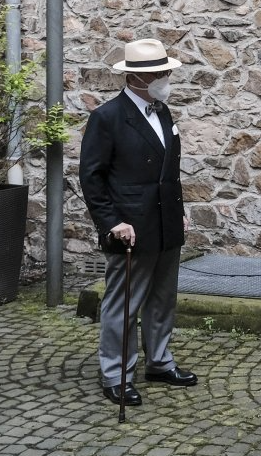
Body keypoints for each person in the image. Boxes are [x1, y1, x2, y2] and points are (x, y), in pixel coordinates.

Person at [79, 38, 194, 405]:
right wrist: (112, 222)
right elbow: (91, 176)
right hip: (130, 227)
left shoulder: (162, 111)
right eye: (160, 73)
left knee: (163, 299)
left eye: (165, 71)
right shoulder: (107, 117)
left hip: (165, 221)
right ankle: (115, 374)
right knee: (124, 303)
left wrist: (179, 210)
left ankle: (159, 362)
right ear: (137, 78)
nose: (165, 78)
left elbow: (167, 171)